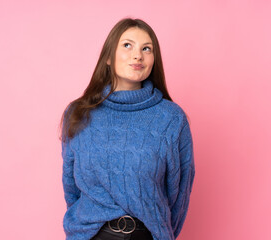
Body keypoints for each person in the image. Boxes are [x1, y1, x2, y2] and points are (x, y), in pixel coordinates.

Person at [59, 17, 195, 240]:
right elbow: (71, 187)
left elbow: (179, 195)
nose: (137, 55)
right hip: (90, 235)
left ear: (154, 59)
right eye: (127, 45)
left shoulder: (171, 118)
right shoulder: (79, 113)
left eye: (146, 49)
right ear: (109, 57)